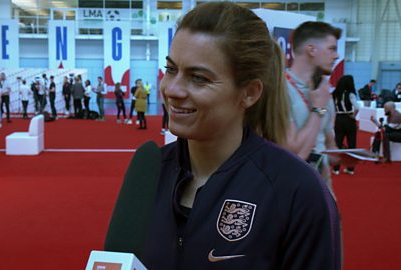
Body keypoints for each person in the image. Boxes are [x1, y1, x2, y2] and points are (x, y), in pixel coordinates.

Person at [138, 3, 341, 269]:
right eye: (171, 70)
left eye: (198, 78)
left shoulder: (297, 191)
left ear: (249, 93)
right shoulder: (149, 170)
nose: (173, 89)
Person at [284, 21, 342, 192]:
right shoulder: (280, 89)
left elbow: (328, 145)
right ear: (311, 50)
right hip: (291, 192)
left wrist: (345, 156)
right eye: (331, 49)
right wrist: (317, 109)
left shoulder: (323, 91)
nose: (337, 56)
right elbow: (294, 154)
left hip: (324, 192)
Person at [332, 75, 360, 175]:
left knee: (337, 144)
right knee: (352, 145)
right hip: (349, 119)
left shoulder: (335, 93)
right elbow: (357, 107)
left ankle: (336, 169)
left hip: (339, 119)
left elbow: (329, 109)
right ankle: (350, 169)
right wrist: (353, 115)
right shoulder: (350, 94)